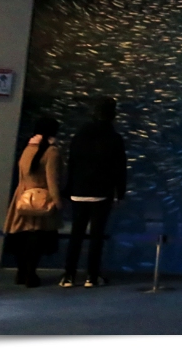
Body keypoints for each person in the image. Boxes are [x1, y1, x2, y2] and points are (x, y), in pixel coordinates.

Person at [59, 97, 127, 288]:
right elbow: (119, 168)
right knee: (97, 236)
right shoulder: (114, 138)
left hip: (78, 192)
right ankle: (92, 276)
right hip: (101, 192)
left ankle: (69, 275)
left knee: (76, 234)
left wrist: (68, 189)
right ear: (112, 115)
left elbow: (71, 164)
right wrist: (119, 193)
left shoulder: (79, 137)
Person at [3, 117, 63, 287]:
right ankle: (30, 274)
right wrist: (58, 203)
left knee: (21, 238)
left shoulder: (27, 148)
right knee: (36, 238)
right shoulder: (52, 152)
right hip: (41, 201)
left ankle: (21, 273)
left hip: (22, 198)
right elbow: (53, 180)